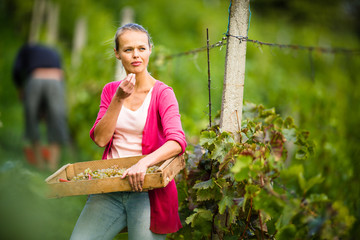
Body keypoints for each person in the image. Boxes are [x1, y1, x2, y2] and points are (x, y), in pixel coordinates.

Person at [70, 23, 187, 240]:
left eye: (142, 48)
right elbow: (101, 139)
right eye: (128, 49)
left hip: (148, 192)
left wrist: (143, 163)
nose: (136, 55)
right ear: (117, 54)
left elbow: (177, 141)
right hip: (109, 188)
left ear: (150, 49)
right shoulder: (110, 91)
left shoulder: (163, 94)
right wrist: (119, 98)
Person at [12, 43, 69, 171]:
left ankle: (39, 166)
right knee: (56, 121)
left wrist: (20, 87)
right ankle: (53, 167)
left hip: (36, 78)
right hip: (56, 79)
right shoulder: (54, 51)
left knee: (31, 120)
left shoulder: (25, 49)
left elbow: (16, 69)